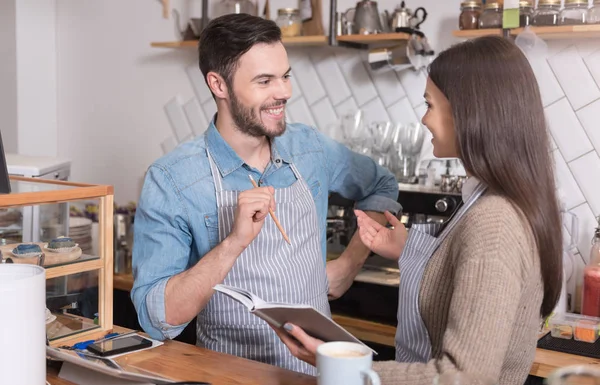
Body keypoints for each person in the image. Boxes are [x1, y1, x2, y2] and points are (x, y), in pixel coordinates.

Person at [273, 35, 563, 385]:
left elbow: (464, 377)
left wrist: (338, 369)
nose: (424, 119)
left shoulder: (495, 221)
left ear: (467, 111)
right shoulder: (495, 201)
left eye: (429, 105)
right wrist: (407, 247)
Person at [130, 13, 402, 376]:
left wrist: (350, 264)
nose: (284, 92)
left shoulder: (309, 149)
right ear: (219, 85)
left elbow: (381, 185)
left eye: (285, 75)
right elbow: (157, 319)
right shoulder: (173, 180)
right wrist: (234, 243)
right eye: (264, 81)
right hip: (230, 375)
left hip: (317, 377)